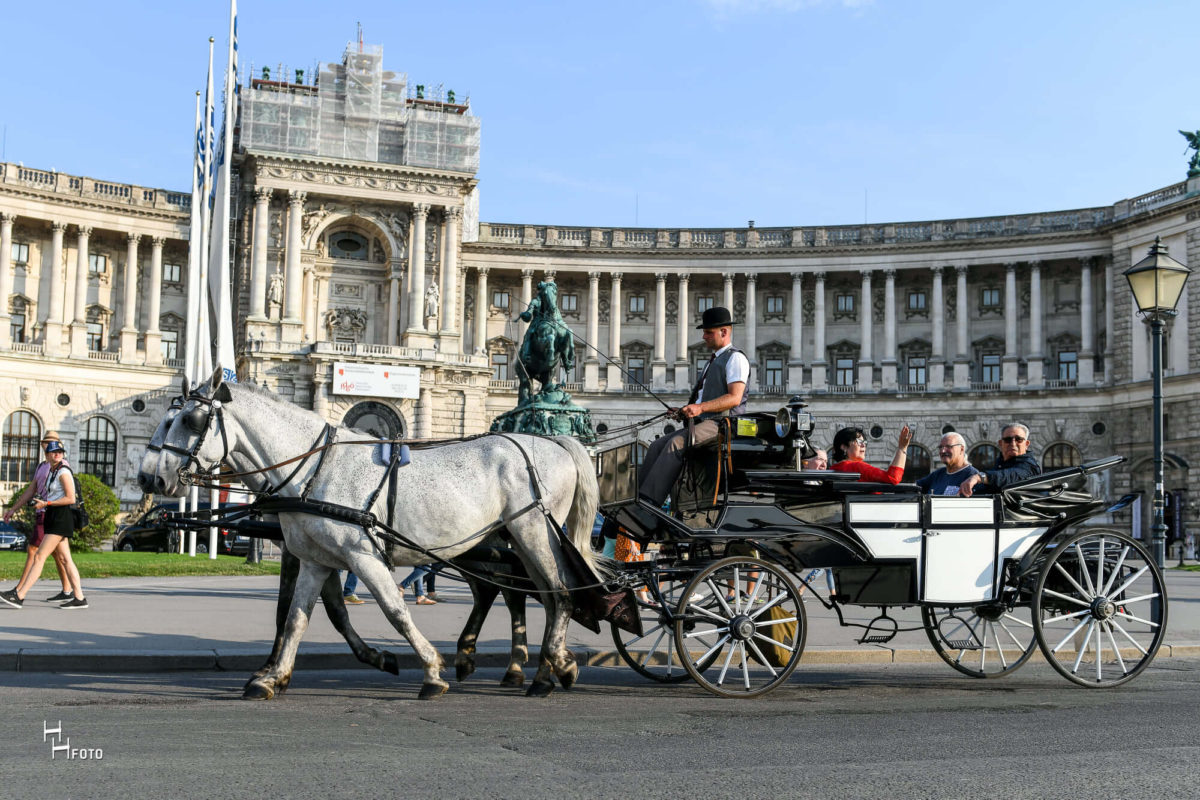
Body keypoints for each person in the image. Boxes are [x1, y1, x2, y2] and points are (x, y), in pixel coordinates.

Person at [636, 306, 749, 507]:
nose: (704, 336)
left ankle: (649, 506)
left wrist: (701, 408)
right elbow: (701, 400)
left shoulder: (736, 358)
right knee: (655, 446)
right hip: (703, 423)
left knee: (675, 444)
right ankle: (636, 498)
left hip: (723, 425)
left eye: (708, 332)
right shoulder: (710, 363)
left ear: (724, 332)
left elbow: (734, 398)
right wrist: (683, 411)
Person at [0, 440, 87, 609]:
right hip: (54, 516)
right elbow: (31, 490)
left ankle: (20, 595)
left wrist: (46, 504)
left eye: (60, 451)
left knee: (39, 556)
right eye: (53, 452)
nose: (57, 454)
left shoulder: (63, 471)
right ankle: (79, 597)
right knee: (65, 559)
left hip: (61, 517)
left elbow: (71, 498)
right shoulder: (50, 471)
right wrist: (13, 509)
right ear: (46, 455)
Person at [959, 423, 1041, 497]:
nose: (1013, 443)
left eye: (1018, 439)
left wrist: (980, 477)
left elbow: (1009, 476)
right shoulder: (1000, 464)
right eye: (1008, 440)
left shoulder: (1029, 466)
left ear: (1026, 444)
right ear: (1001, 443)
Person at [829, 425, 912, 484]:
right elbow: (893, 477)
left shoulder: (833, 469)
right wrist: (902, 448)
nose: (863, 445)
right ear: (844, 447)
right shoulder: (857, 467)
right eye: (859, 442)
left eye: (864, 442)